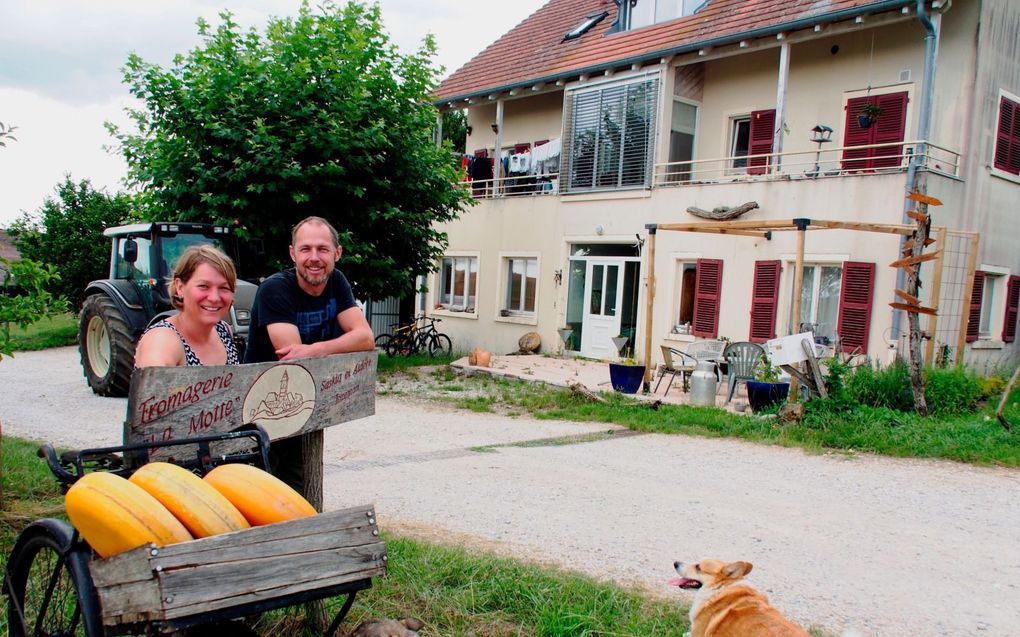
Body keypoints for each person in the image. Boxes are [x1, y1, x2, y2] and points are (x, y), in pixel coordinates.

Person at [244, 216, 374, 490]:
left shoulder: (337, 282)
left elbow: (365, 338)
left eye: (322, 249)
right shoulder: (275, 289)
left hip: (302, 411)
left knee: (299, 492)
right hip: (260, 413)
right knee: (262, 493)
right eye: (305, 249)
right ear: (293, 253)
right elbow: (292, 358)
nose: (314, 257)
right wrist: (333, 346)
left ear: (337, 253)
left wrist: (316, 349)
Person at [134, 244, 240, 368]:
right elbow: (154, 384)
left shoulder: (223, 330)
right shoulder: (162, 339)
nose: (214, 298)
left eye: (224, 288)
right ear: (180, 287)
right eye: (203, 286)